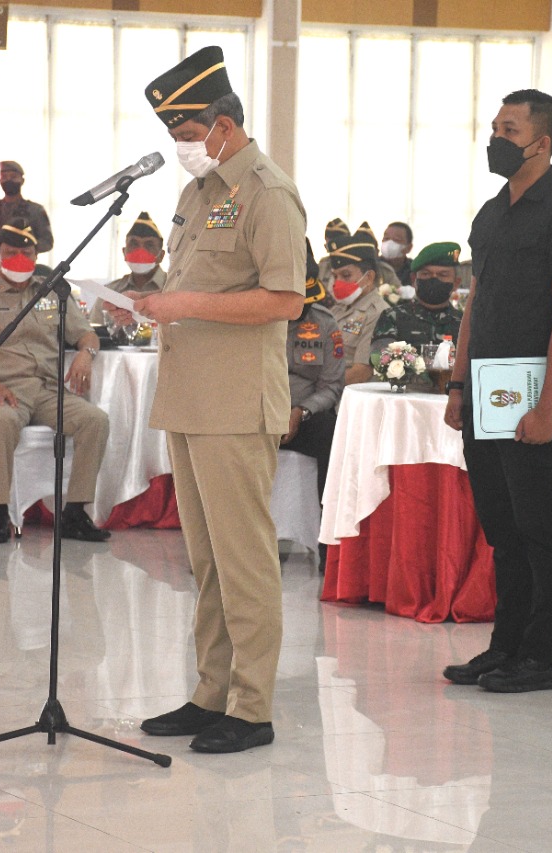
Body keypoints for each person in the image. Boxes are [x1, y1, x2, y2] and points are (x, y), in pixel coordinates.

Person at [129, 46, 306, 754]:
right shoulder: (198, 193)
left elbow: (286, 299)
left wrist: (185, 304)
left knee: (244, 561)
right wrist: (147, 303)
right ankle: (211, 692)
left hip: (235, 403)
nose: (182, 148)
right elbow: (189, 284)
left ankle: (252, 705)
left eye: (188, 134)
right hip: (189, 395)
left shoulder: (268, 192)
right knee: (205, 561)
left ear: (224, 126)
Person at [441, 89, 552, 693]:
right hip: (486, 391)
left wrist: (547, 407)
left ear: (542, 142)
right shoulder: (490, 213)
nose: (496, 139)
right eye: (495, 127)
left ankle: (541, 657)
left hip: (536, 393)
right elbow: (476, 304)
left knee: (543, 529)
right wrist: (458, 384)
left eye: (510, 129)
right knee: (503, 529)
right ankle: (505, 646)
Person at [0, 218, 110, 545]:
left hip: (48, 391)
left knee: (95, 420)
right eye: (11, 252)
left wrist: (86, 354)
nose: (19, 259)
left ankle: (75, 512)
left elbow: (86, 334)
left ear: (37, 256)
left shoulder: (52, 293)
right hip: (5, 390)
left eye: (27, 253)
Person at [282, 244, 344, 566]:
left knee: (332, 435)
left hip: (305, 415)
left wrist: (300, 411)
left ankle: (327, 548)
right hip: (256, 412)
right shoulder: (252, 321)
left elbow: (331, 385)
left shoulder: (325, 323)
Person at [370, 241, 464, 389]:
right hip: (404, 398)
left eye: (442, 275)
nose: (433, 279)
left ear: (456, 283)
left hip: (450, 399)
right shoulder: (392, 317)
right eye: (426, 274)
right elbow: (381, 358)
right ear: (414, 279)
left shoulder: (465, 323)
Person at [328, 223, 389, 385]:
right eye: (335, 276)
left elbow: (360, 373)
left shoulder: (379, 313)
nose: (338, 282)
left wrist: (320, 388)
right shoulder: (338, 308)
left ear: (368, 277)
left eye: (346, 275)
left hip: (344, 393)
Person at [88, 211, 166, 323]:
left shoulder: (174, 288)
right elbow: (94, 329)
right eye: (134, 244)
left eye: (149, 245)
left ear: (161, 256)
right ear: (124, 252)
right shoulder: (109, 293)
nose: (140, 251)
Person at [0, 160, 54, 253]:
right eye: (4, 177)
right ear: (0, 180)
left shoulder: (35, 210)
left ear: (22, 180)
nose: (8, 180)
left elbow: (47, 242)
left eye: (13, 177)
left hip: (22, 259)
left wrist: (26, 249)